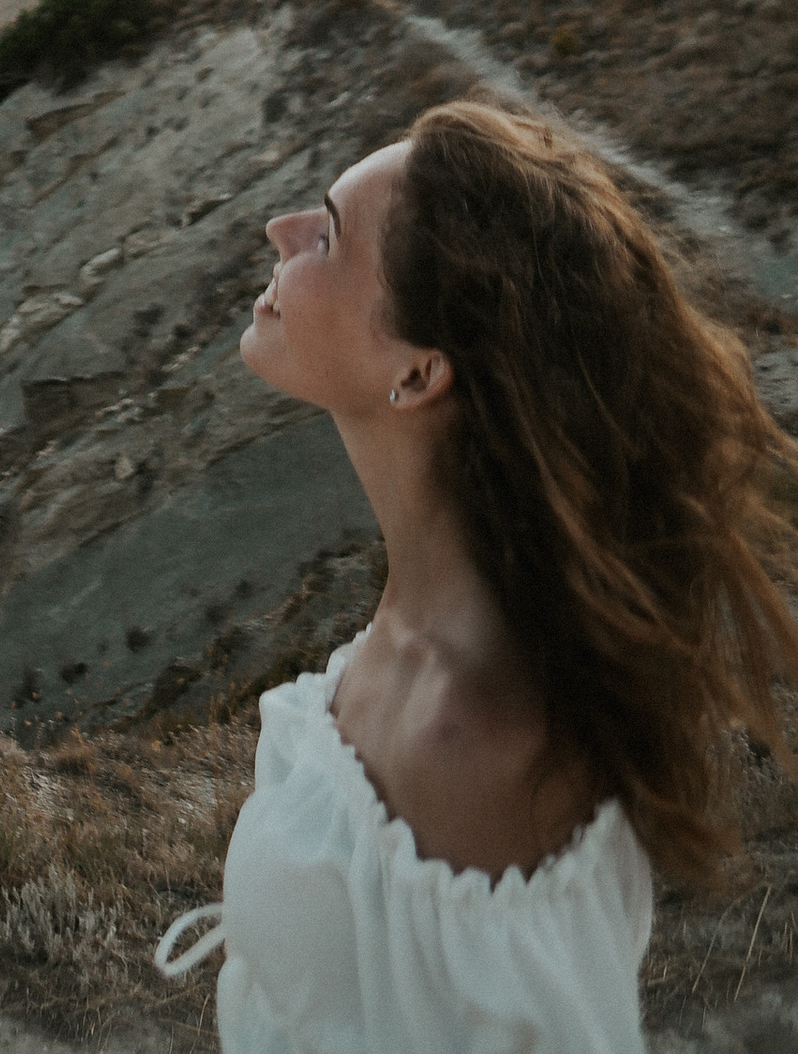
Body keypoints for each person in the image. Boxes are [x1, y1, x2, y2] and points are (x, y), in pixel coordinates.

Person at [157, 99, 798, 1049]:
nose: (279, 230)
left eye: (327, 235)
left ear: (417, 374)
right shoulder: (421, 626)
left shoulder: (478, 744)